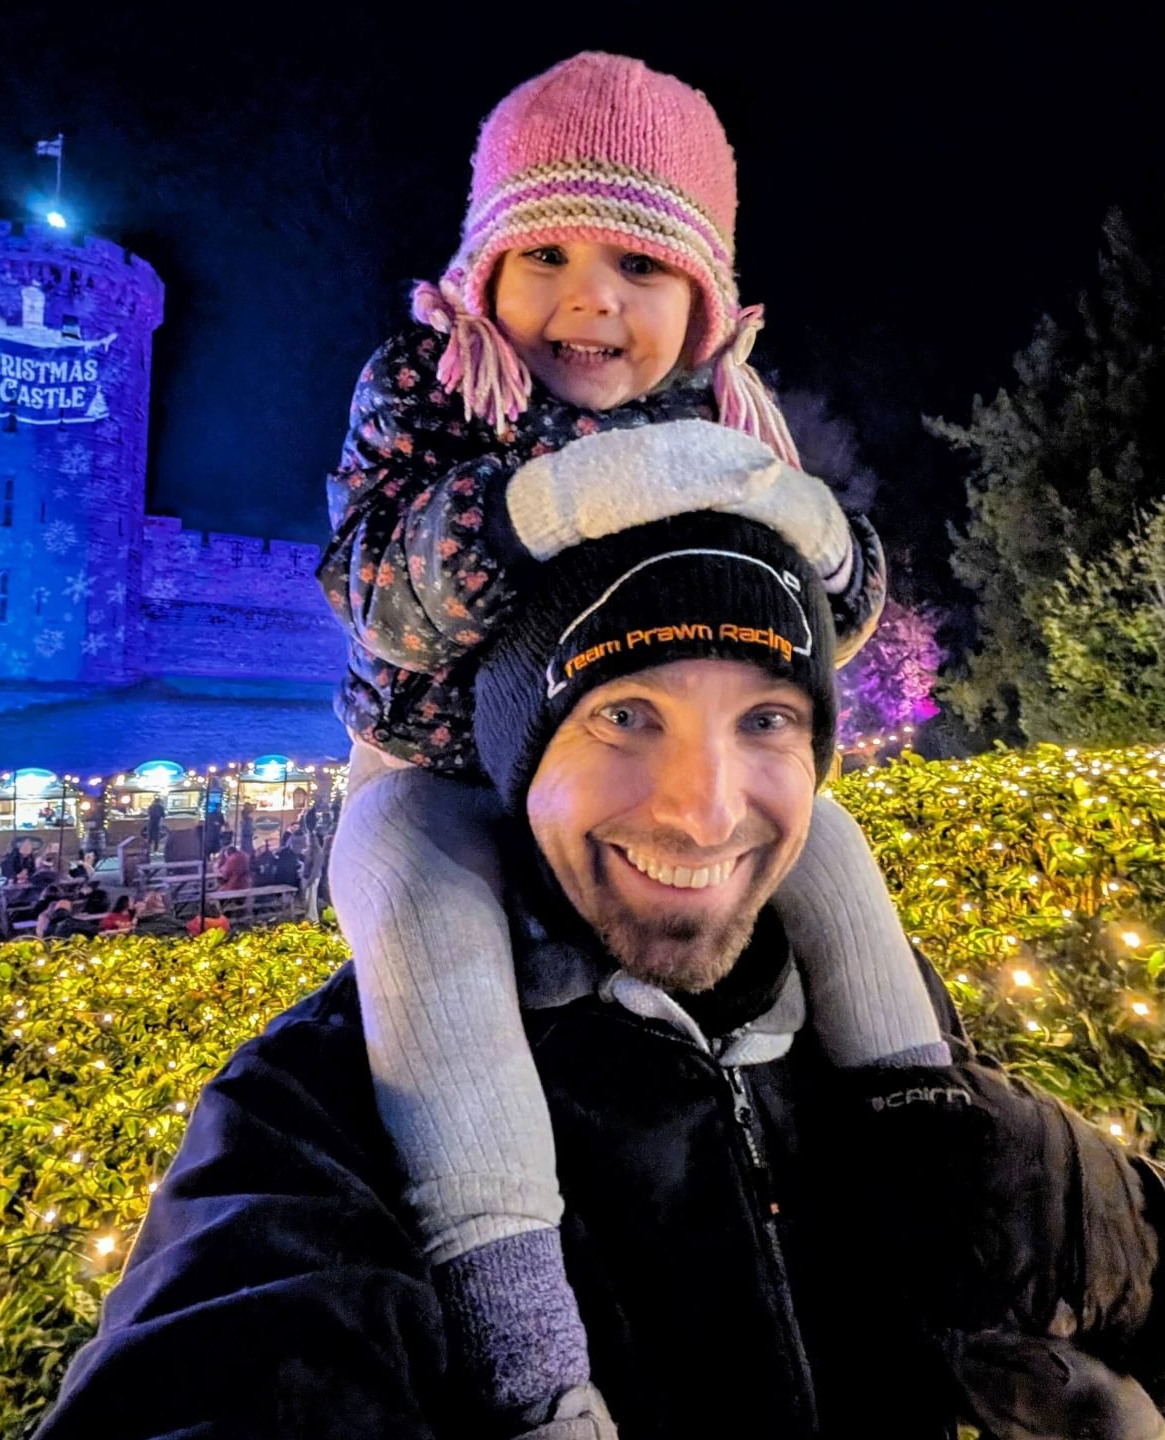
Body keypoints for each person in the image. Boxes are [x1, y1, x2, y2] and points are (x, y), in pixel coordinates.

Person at [33, 513, 1165, 1439]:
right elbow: (230, 1364)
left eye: (766, 719)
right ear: (518, 755)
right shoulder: (324, 1101)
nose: (703, 809)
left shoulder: (863, 1018)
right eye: (625, 716)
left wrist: (1076, 1219)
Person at [314, 51, 911, 1425]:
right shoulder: (432, 386)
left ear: (705, 304)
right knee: (419, 919)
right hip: (442, 775)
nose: (591, 296)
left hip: (642, 780)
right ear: (481, 279)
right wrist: (551, 500)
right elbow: (368, 590)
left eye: (641, 268)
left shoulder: (719, 418)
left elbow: (836, 611)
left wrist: (825, 543)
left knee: (829, 850)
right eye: (550, 256)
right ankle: (521, 1338)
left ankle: (931, 1131)